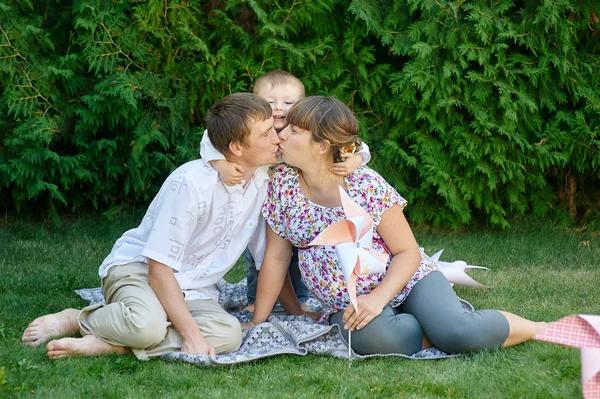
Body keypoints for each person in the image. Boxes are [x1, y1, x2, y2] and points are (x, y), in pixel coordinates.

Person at [246, 96, 548, 356]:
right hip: (347, 299)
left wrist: (379, 299)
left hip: (405, 280)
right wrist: (259, 321)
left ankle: (539, 328)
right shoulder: (282, 185)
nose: (281, 133)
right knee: (372, 338)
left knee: (460, 334)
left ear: (321, 146)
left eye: (294, 130)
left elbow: (407, 251)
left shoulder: (364, 183)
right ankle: (431, 329)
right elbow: (277, 257)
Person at [21, 93, 281, 359]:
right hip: (142, 270)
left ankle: (116, 345)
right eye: (266, 134)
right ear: (236, 148)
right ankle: (77, 319)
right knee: (146, 326)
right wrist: (191, 335)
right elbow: (159, 271)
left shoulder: (263, 179)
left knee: (229, 333)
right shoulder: (191, 185)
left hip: (194, 288)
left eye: (274, 128)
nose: (278, 137)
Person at [200, 70, 372, 311]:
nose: (279, 108)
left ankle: (300, 299)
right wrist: (220, 164)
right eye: (270, 103)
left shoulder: (303, 130)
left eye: (288, 103)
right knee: (258, 253)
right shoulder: (252, 129)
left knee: (299, 251)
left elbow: (350, 141)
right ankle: (255, 299)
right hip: (261, 199)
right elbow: (210, 139)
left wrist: (356, 159)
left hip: (294, 200)